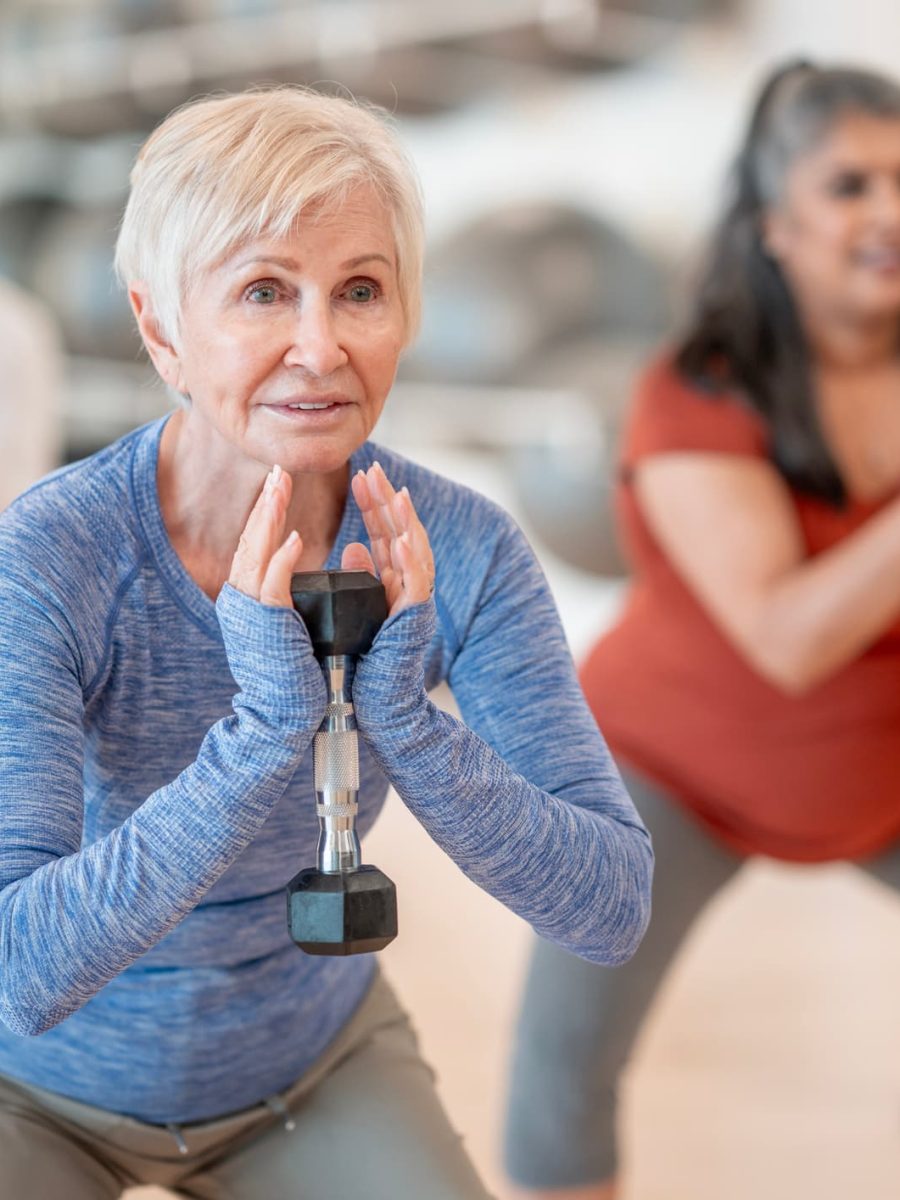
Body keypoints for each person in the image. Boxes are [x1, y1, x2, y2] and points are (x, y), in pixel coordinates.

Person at [0, 87, 652, 1200]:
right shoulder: (53, 556)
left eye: (360, 290)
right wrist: (262, 734)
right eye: (264, 291)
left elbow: (609, 906)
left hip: (308, 1072)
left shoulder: (459, 549)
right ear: (159, 329)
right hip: (35, 1089)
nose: (321, 345)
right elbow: (20, 970)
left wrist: (410, 724)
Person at [503, 58, 900, 1200]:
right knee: (567, 1066)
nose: (888, 212)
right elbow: (786, 637)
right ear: (777, 224)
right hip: (666, 763)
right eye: (850, 185)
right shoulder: (696, 390)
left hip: (872, 767)